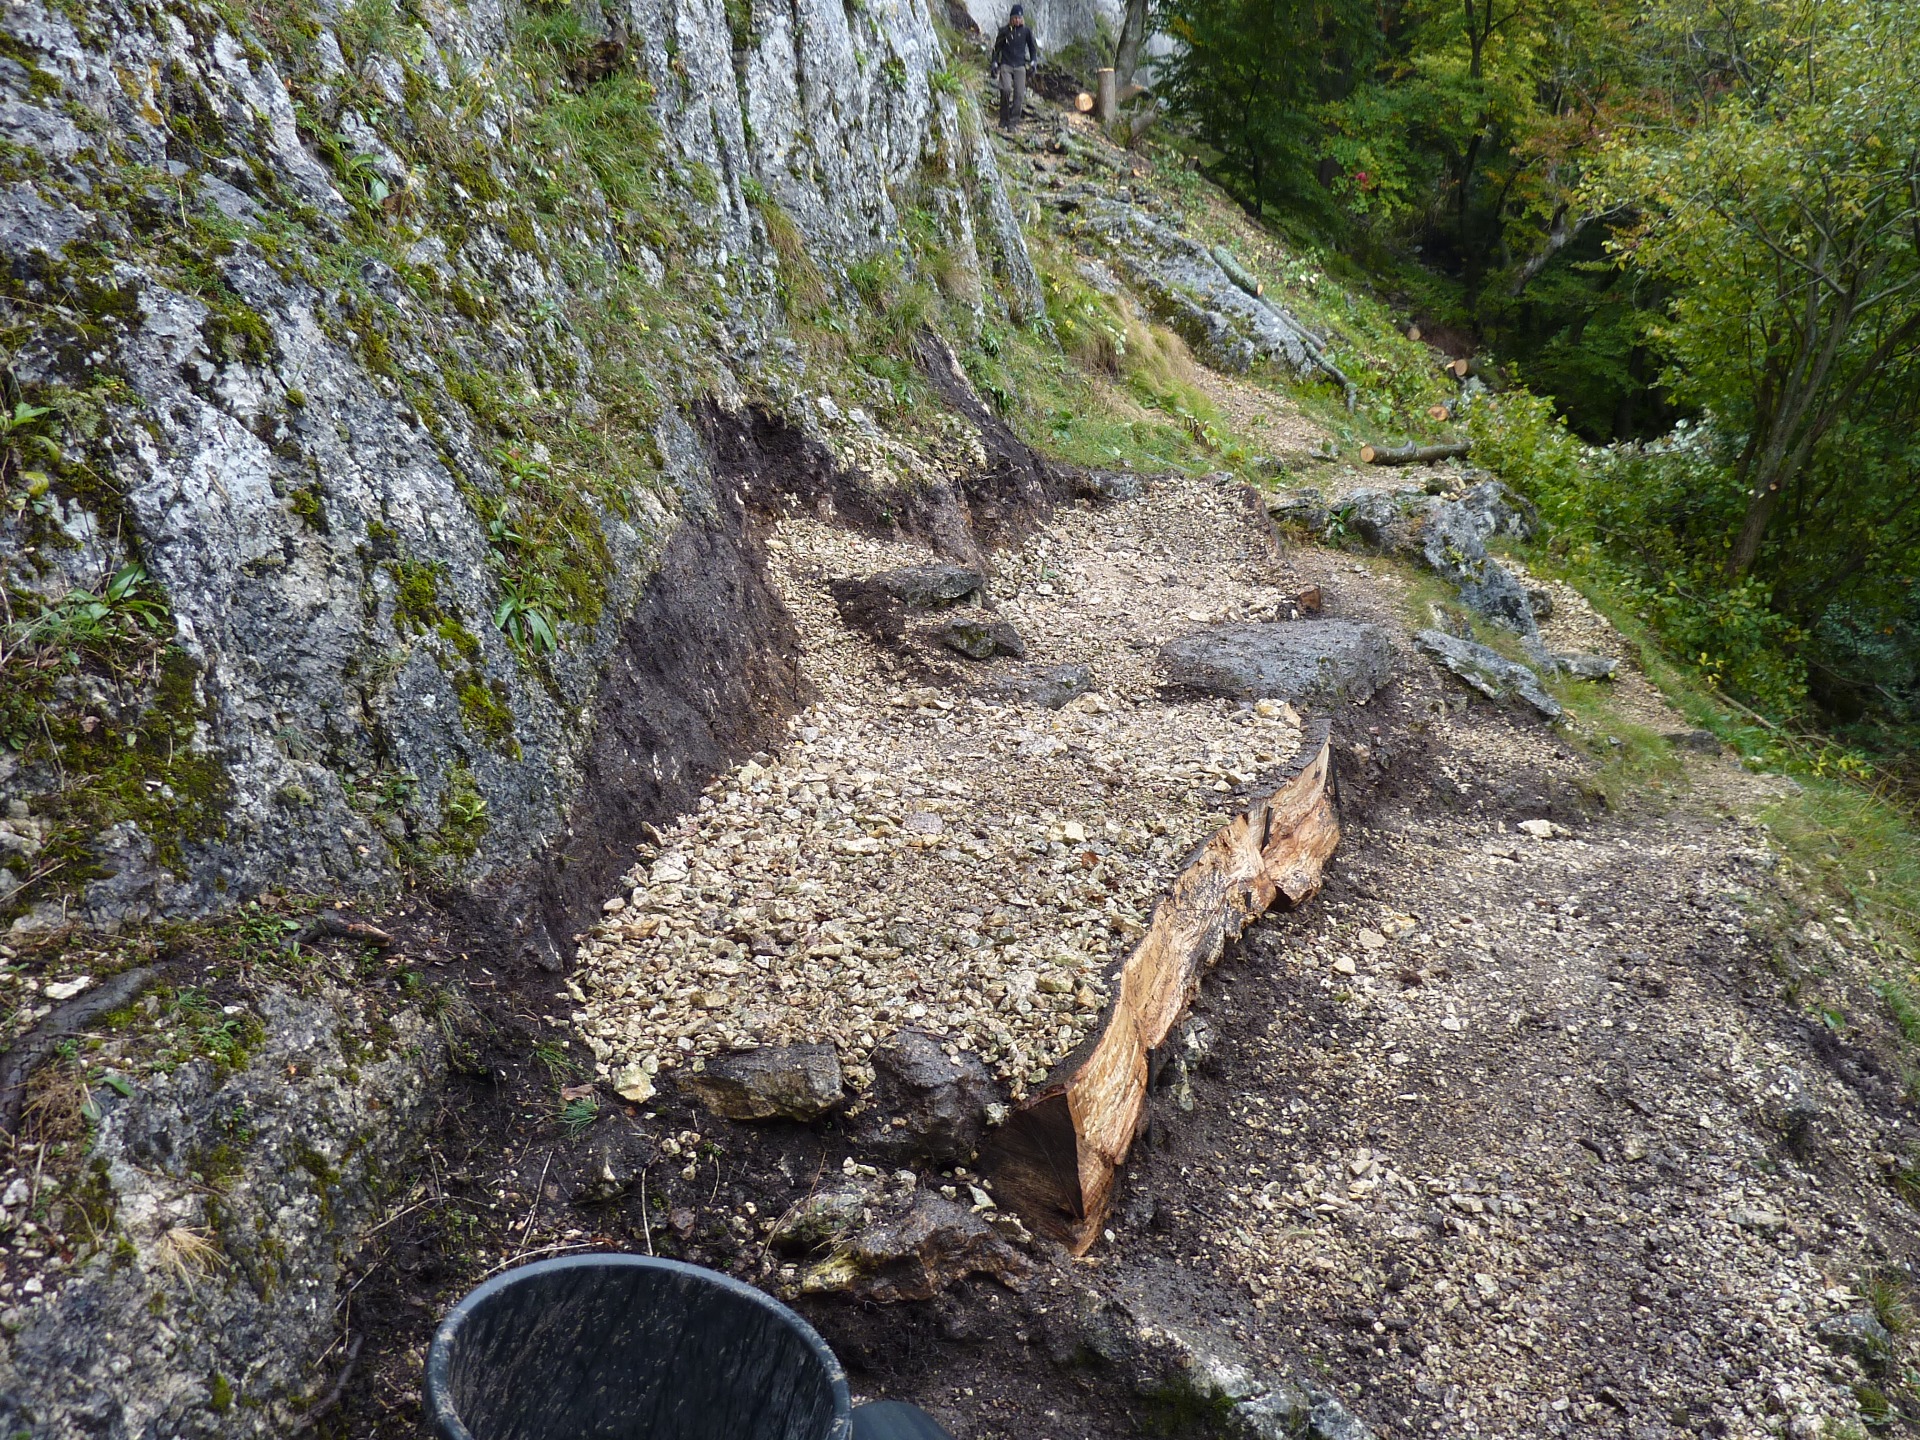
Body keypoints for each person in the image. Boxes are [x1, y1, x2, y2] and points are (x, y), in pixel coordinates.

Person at [989, 5, 1040, 129]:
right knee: (1005, 89)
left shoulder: (1026, 31)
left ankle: (1013, 122)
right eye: (1015, 18)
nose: (1017, 20)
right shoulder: (1004, 31)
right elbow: (996, 49)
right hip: (1006, 64)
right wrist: (995, 62)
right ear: (1011, 18)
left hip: (1020, 66)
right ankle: (1003, 119)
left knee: (1019, 95)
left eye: (1019, 17)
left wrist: (1033, 62)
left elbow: (1032, 48)